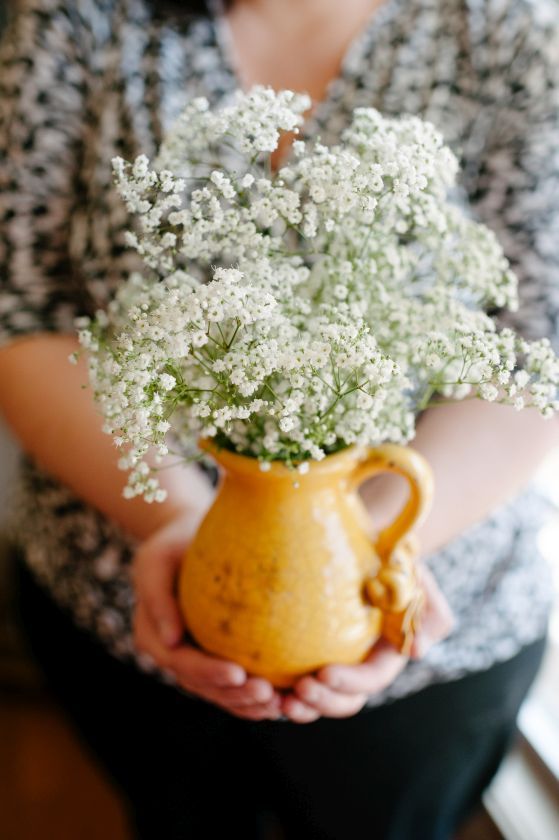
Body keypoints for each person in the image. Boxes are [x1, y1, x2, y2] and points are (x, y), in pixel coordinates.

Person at [1, 0, 558, 837]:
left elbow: (532, 358)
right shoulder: (78, 18)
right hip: (128, 593)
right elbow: (24, 310)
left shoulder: (510, 37)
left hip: (426, 626)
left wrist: (359, 561)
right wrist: (192, 532)